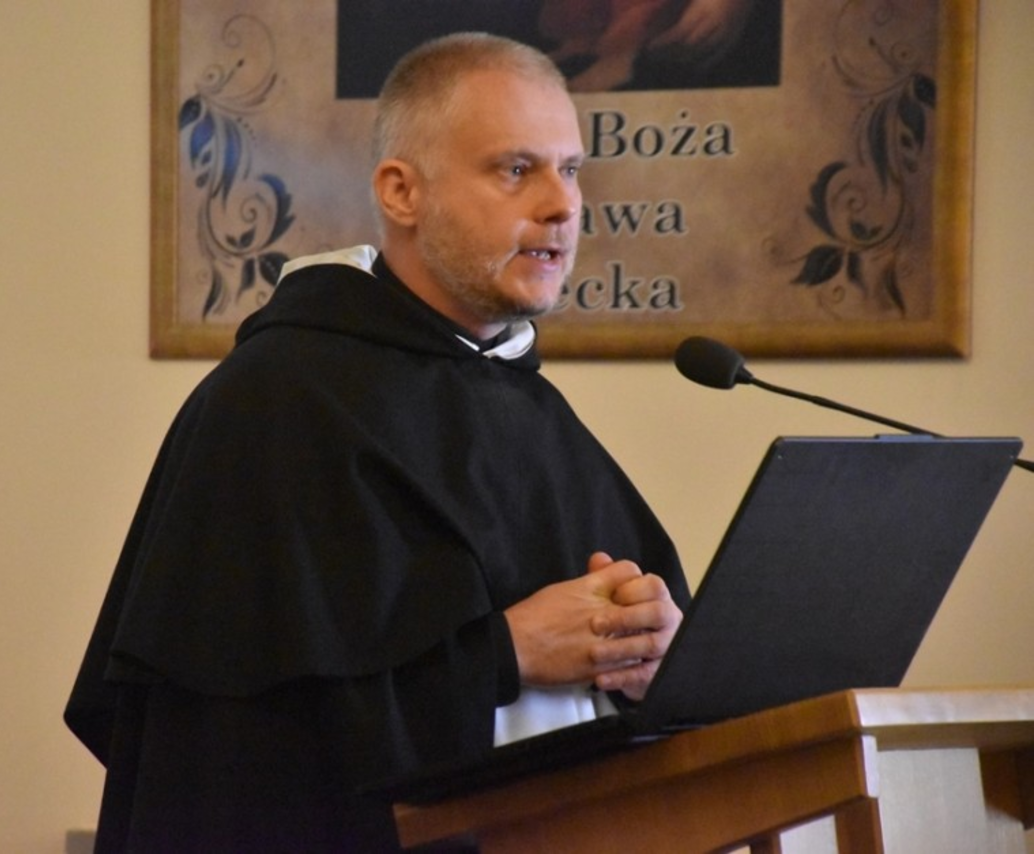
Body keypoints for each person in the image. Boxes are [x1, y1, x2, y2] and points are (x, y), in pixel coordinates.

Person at [66, 32, 690, 853]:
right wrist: (502, 656)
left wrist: (653, 654)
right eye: (516, 169)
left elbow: (624, 670)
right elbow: (229, 737)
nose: (562, 205)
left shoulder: (529, 407)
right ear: (402, 192)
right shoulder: (278, 401)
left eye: (570, 170)